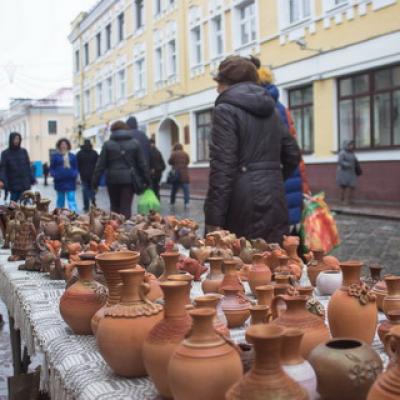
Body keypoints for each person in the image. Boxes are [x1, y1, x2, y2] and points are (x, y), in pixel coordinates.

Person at [204, 56, 301, 243]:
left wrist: (213, 220)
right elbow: (292, 154)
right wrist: (272, 177)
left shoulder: (225, 110)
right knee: (274, 261)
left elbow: (222, 168)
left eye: (219, 83)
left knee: (239, 264)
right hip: (275, 196)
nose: (217, 89)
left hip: (242, 202)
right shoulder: (271, 110)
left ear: (228, 84)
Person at [253, 58, 311, 234]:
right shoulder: (281, 107)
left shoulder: (259, 107)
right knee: (287, 238)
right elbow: (293, 151)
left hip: (271, 182)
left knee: (272, 245)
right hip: (288, 178)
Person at [92, 121, 150, 219]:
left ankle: (115, 230)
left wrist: (95, 183)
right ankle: (125, 230)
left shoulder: (107, 144)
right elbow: (142, 164)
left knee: (114, 206)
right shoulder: (135, 143)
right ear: (126, 130)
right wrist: (147, 180)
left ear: (112, 131)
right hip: (129, 180)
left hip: (112, 179)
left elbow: (100, 165)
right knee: (126, 207)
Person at [0, 132, 35, 202]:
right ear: (11, 140)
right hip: (13, 184)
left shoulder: (24, 151)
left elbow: (28, 166)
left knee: (26, 206)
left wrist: (32, 178)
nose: (17, 141)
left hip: (25, 184)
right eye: (15, 139)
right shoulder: (5, 153)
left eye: (18, 139)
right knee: (13, 206)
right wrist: (3, 180)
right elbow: (3, 169)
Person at [50, 138, 78, 212]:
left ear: (68, 146)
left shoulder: (72, 156)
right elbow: (52, 168)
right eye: (62, 144)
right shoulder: (55, 156)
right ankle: (59, 215)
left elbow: (76, 168)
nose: (63, 146)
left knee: (71, 200)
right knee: (60, 201)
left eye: (65, 144)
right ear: (59, 146)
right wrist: (55, 175)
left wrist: (74, 174)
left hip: (70, 181)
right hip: (60, 181)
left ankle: (74, 215)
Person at [77, 139, 99, 212]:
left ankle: (86, 206)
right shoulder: (94, 153)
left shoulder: (79, 153)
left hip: (83, 175)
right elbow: (98, 163)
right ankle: (93, 200)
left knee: (85, 191)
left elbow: (77, 164)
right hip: (93, 175)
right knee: (92, 189)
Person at [336, 140, 358, 205]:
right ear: (346, 145)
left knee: (352, 186)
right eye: (350, 145)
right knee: (343, 187)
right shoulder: (342, 153)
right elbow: (340, 161)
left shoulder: (352, 153)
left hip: (351, 172)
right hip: (343, 172)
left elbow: (354, 160)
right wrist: (348, 165)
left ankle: (349, 200)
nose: (352, 146)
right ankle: (341, 200)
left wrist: (356, 165)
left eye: (352, 145)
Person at [169, 143, 190, 208]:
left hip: (176, 174)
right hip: (184, 174)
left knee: (174, 190)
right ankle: (186, 203)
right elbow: (188, 162)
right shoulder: (185, 154)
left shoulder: (174, 154)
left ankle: (172, 202)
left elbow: (169, 162)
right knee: (186, 190)